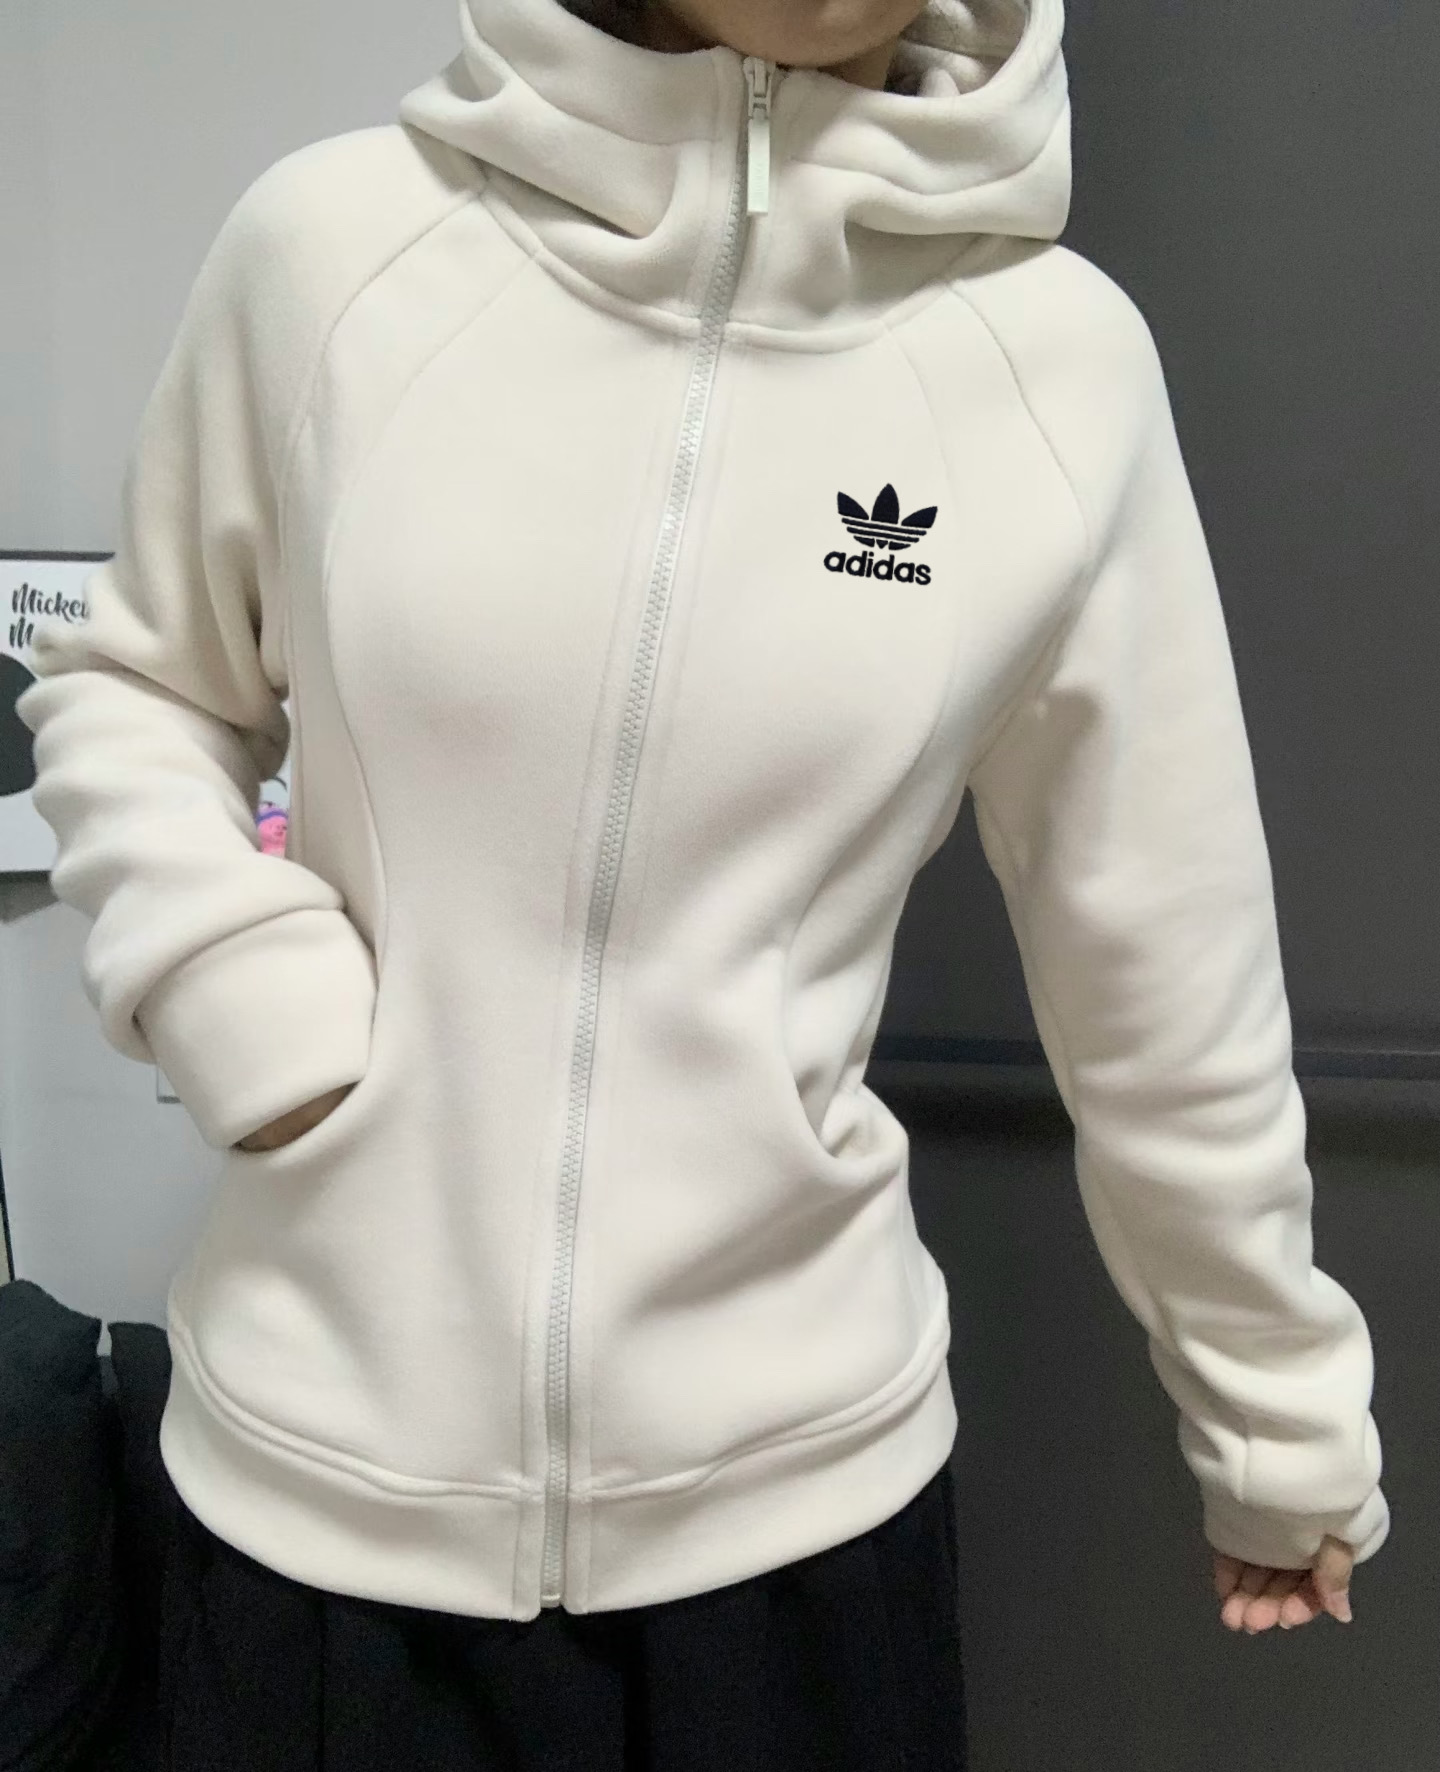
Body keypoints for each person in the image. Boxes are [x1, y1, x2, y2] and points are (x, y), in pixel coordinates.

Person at [17, 0, 1390, 1764]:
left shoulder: (1055, 362)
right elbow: (137, 684)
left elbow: (1167, 960)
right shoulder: (337, 250)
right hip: (316, 1507)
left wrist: (1277, 1411)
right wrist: (231, 985)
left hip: (799, 1531)